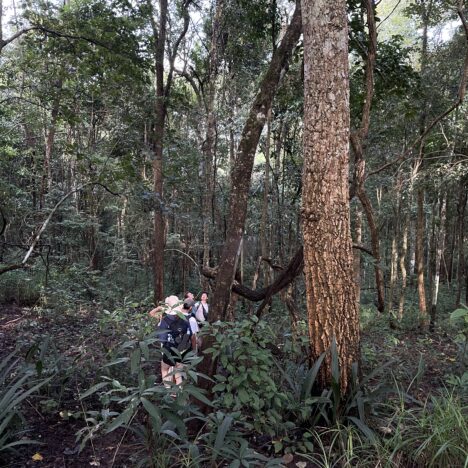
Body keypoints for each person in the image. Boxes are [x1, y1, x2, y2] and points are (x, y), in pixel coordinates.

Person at [157, 297, 198, 388]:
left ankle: (168, 391)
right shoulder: (186, 320)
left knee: (165, 370)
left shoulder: (165, 320)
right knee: (178, 372)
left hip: (168, 349)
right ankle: (179, 392)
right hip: (181, 349)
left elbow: (161, 337)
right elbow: (191, 336)